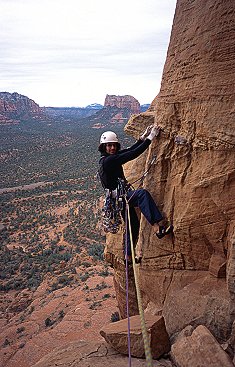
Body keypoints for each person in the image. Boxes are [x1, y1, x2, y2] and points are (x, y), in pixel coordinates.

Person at [98, 126, 173, 263]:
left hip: (118, 199)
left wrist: (142, 139)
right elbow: (132, 154)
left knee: (132, 225)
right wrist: (150, 139)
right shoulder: (109, 161)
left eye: (114, 145)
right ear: (104, 147)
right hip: (121, 198)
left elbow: (128, 151)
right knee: (142, 194)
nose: (112, 148)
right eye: (109, 146)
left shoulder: (108, 159)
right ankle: (158, 229)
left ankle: (128, 257)